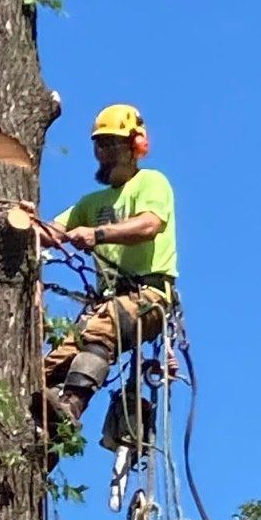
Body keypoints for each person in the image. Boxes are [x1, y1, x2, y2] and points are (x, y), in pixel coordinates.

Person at [37, 103, 178, 432]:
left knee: (104, 326)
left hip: (148, 297)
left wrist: (97, 234)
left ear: (135, 145)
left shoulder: (151, 183)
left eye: (112, 143)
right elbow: (52, 233)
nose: (104, 151)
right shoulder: (90, 203)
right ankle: (45, 437)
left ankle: (71, 405)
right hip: (107, 304)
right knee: (51, 364)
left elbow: (149, 224)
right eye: (99, 144)